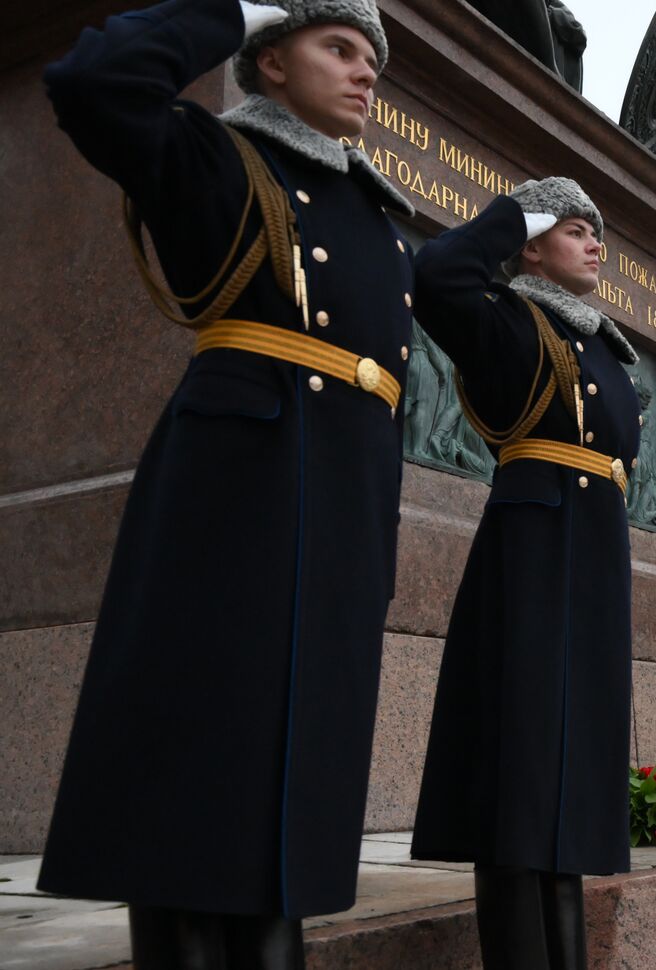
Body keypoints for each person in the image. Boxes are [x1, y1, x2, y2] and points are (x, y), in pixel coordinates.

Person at [36, 0, 414, 965]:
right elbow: (91, 81)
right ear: (272, 61)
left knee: (288, 825)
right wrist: (238, 4)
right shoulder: (217, 159)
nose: (367, 70)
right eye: (338, 45)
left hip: (339, 517)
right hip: (235, 504)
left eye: (373, 55)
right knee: (195, 804)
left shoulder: (375, 211)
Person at [409, 177, 640, 970]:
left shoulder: (609, 349)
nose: (595, 244)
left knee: (567, 784)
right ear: (534, 245)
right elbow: (438, 276)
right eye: (575, 229)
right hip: (530, 561)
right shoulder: (509, 321)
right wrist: (516, 215)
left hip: (595, 567)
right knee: (518, 781)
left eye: (596, 233)